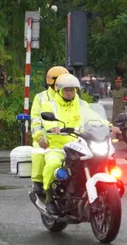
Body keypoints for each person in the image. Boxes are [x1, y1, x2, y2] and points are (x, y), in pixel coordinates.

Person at [37, 73, 90, 215]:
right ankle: (49, 198)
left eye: (72, 89)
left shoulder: (82, 105)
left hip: (79, 145)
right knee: (53, 164)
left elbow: (94, 118)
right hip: (57, 147)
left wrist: (109, 126)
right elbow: (45, 120)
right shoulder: (50, 104)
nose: (70, 92)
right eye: (66, 90)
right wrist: (53, 126)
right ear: (60, 90)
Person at [29, 66, 69, 202]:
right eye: (60, 81)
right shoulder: (40, 98)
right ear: (52, 82)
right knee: (39, 153)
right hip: (46, 138)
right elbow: (35, 120)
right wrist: (40, 137)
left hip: (66, 138)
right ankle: (38, 184)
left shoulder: (68, 97)